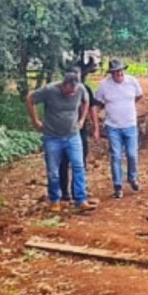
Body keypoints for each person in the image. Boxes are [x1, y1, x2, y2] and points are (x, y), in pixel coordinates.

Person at [26, 71, 97, 212]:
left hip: (73, 135)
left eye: (74, 91)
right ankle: (54, 200)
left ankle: (80, 200)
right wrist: (35, 121)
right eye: (69, 91)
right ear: (63, 85)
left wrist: (82, 119)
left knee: (78, 166)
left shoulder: (80, 89)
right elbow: (30, 98)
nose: (71, 94)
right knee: (53, 171)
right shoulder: (50, 90)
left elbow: (86, 100)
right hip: (53, 137)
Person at [94, 58, 143, 199]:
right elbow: (98, 103)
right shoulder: (104, 85)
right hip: (113, 126)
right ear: (111, 73)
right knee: (116, 155)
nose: (118, 74)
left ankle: (132, 178)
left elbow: (139, 96)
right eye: (115, 72)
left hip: (130, 124)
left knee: (132, 154)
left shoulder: (132, 82)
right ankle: (118, 185)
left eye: (120, 71)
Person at [58, 66, 99, 202]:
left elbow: (91, 107)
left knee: (79, 162)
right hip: (62, 132)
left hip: (79, 131)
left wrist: (95, 126)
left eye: (77, 74)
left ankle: (78, 192)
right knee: (63, 163)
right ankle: (64, 191)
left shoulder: (84, 89)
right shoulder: (59, 90)